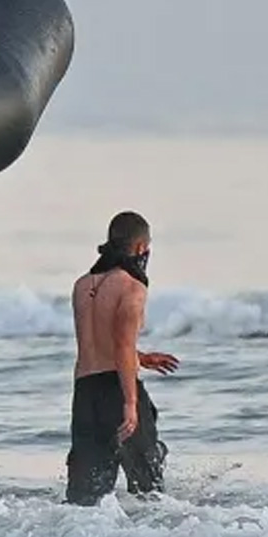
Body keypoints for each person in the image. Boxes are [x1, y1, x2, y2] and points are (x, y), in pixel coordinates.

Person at [67, 211, 177, 505]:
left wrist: (141, 358)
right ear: (142, 248)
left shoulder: (81, 285)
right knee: (149, 491)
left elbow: (100, 343)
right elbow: (121, 346)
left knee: (83, 500)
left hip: (85, 395)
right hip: (117, 390)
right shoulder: (132, 286)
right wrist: (130, 403)